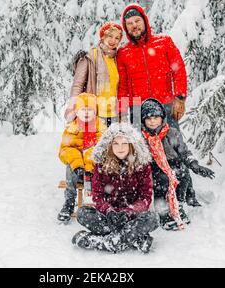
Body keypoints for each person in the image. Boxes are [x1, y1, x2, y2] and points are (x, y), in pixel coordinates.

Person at [116, 4, 201, 206]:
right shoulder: (124, 53)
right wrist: (121, 111)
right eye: (130, 24)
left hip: (165, 105)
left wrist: (179, 98)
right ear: (126, 28)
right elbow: (124, 85)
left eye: (137, 21)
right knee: (142, 153)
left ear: (144, 21)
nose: (134, 26)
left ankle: (187, 192)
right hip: (138, 109)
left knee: (175, 147)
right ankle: (151, 194)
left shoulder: (164, 42)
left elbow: (178, 69)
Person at [72, 123, 159, 253]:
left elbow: (145, 197)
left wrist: (129, 212)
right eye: (116, 144)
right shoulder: (101, 165)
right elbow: (97, 195)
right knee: (82, 213)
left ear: (132, 144)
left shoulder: (142, 165)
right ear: (109, 146)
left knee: (153, 218)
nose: (120, 148)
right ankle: (134, 239)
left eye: (124, 143)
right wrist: (109, 211)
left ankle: (100, 241)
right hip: (107, 217)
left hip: (132, 218)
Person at [140, 98, 215, 230]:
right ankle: (164, 212)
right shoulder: (141, 138)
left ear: (162, 118)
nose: (152, 121)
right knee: (162, 181)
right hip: (154, 168)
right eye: (148, 118)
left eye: (156, 117)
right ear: (143, 121)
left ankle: (180, 203)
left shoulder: (172, 133)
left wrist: (194, 165)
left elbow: (184, 152)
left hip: (174, 164)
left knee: (183, 174)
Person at [64, 21, 123, 127]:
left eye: (117, 38)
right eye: (110, 36)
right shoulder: (90, 56)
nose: (113, 40)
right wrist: (72, 109)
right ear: (103, 36)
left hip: (114, 115)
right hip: (94, 113)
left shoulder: (118, 59)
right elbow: (78, 85)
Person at [58, 93, 106, 222]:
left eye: (89, 109)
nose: (86, 113)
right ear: (77, 112)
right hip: (77, 170)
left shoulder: (100, 128)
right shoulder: (71, 129)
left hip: (93, 169)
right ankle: (69, 201)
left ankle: (101, 201)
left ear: (95, 112)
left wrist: (89, 164)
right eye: (82, 109)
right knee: (70, 167)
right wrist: (78, 164)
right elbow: (65, 150)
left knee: (102, 165)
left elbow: (101, 149)